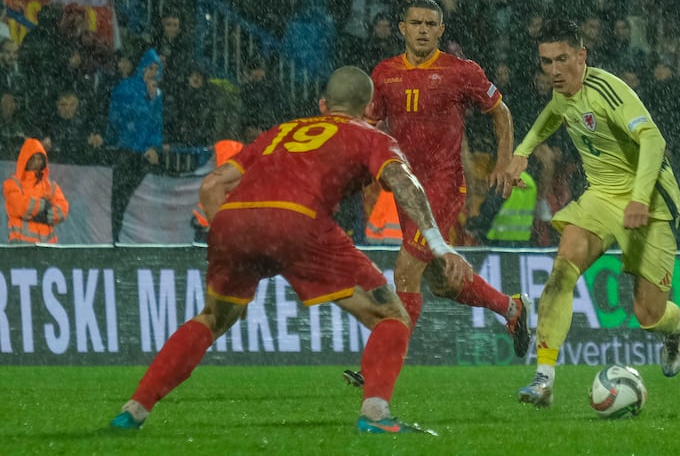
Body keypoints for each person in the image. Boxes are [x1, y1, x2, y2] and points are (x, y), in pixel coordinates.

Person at [109, 66, 472, 434]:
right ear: (368, 108)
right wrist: (440, 246)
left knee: (212, 318)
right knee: (391, 316)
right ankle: (376, 416)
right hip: (300, 220)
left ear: (323, 104)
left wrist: (237, 245)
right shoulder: (372, 136)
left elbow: (212, 185)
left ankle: (134, 410)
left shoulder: (281, 131)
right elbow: (405, 184)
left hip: (234, 220)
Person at [342, 0, 531, 388]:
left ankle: (380, 363)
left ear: (441, 31)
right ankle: (512, 308)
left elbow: (501, 111)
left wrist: (502, 161)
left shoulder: (460, 72)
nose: (423, 29)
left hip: (443, 185)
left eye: (431, 23)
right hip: (405, 188)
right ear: (403, 28)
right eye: (416, 23)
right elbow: (371, 127)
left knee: (406, 271)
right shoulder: (385, 73)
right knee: (442, 281)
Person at [504, 19, 680, 407]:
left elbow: (653, 138)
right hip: (602, 197)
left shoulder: (607, 89)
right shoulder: (563, 93)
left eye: (562, 59)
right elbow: (552, 114)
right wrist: (522, 152)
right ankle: (543, 379)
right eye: (546, 61)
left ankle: (678, 328)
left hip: (649, 199)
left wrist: (639, 197)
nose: (554, 71)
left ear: (581, 56)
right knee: (561, 270)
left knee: (648, 314)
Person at [105, 48, 164, 243]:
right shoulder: (125, 87)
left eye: (156, 68)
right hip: (125, 151)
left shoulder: (157, 95)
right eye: (150, 67)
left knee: (131, 198)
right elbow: (117, 118)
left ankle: (124, 238)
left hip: (142, 154)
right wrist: (145, 101)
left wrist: (154, 147)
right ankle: (114, 237)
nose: (153, 72)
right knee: (119, 198)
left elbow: (157, 124)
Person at [3, 137, 69, 243]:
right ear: (25, 159)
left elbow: (63, 209)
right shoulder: (12, 184)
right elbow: (20, 207)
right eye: (33, 158)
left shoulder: (50, 186)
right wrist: (44, 206)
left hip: (47, 247)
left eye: (39, 159)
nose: (36, 162)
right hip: (19, 244)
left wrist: (45, 215)